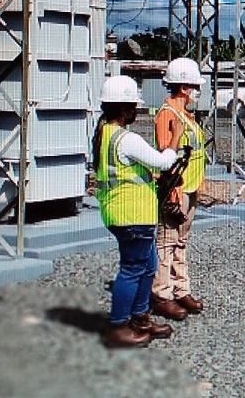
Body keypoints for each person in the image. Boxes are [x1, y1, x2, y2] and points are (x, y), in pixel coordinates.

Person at [92, 75, 182, 348]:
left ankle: (140, 318)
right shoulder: (126, 139)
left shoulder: (103, 134)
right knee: (132, 270)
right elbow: (164, 161)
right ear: (125, 108)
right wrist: (176, 137)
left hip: (119, 212)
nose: (136, 111)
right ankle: (119, 325)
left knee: (149, 266)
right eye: (134, 106)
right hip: (131, 215)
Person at [151, 58, 207, 321]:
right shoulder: (167, 115)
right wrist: (172, 190)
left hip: (191, 187)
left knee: (181, 241)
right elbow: (166, 155)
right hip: (177, 188)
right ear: (184, 87)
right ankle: (161, 293)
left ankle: (180, 289)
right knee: (166, 241)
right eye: (195, 86)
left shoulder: (186, 116)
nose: (197, 91)